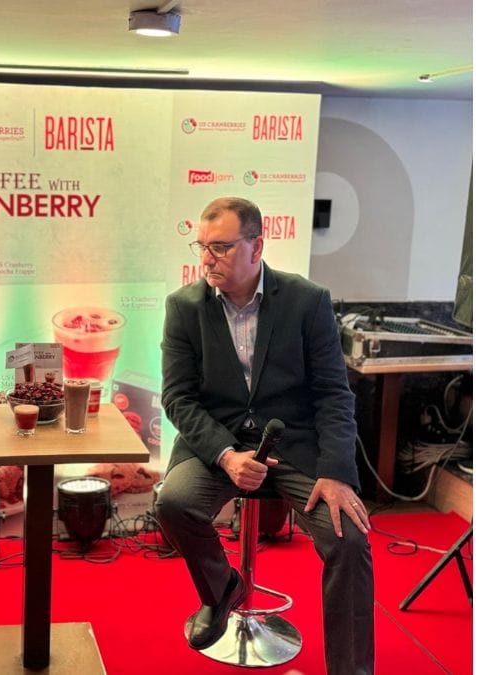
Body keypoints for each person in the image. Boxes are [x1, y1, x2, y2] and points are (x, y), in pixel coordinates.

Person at [155, 197, 374, 675]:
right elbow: (178, 398)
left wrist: (337, 473)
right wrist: (226, 454)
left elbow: (334, 394)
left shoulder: (307, 300)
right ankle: (222, 590)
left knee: (349, 539)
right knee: (173, 502)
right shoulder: (183, 307)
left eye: (220, 247)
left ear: (256, 247)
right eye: (201, 246)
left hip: (296, 446)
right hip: (219, 443)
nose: (206, 258)